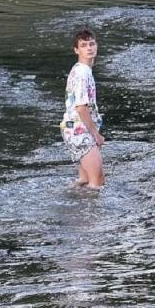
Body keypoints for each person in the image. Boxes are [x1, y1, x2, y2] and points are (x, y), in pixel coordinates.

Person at [62, 28, 105, 188]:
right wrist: (96, 135)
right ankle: (91, 213)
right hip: (81, 132)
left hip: (73, 129)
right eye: (84, 45)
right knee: (97, 182)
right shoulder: (82, 74)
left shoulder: (80, 69)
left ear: (97, 46)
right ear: (76, 50)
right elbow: (81, 108)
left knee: (84, 181)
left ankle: (75, 209)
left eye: (92, 44)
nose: (89, 48)